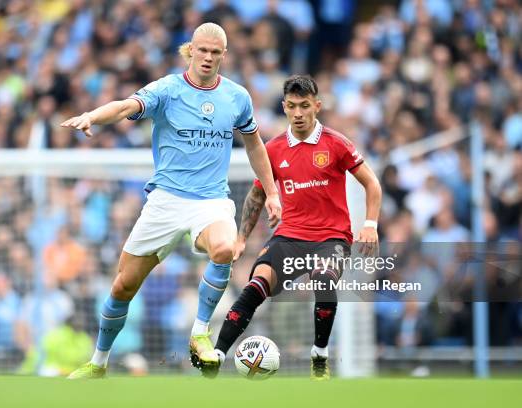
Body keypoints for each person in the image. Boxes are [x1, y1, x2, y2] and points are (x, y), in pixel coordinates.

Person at [61, 22, 281, 379]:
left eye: (215, 52)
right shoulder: (167, 89)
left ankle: (199, 333)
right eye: (202, 50)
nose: (208, 57)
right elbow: (123, 106)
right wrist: (92, 117)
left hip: (211, 201)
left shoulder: (237, 97)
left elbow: (254, 144)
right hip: (165, 201)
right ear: (190, 50)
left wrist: (272, 191)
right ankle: (98, 362)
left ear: (224, 55)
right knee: (123, 286)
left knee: (225, 248)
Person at [206, 75, 382, 379]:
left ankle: (319, 355)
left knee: (323, 278)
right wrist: (241, 238)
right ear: (284, 107)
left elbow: (371, 183)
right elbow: (257, 194)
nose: (298, 113)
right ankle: (217, 356)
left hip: (332, 238)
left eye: (304, 106)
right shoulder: (273, 150)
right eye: (291, 106)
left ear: (317, 106)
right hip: (289, 237)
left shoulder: (336, 144)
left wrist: (370, 224)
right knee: (255, 286)